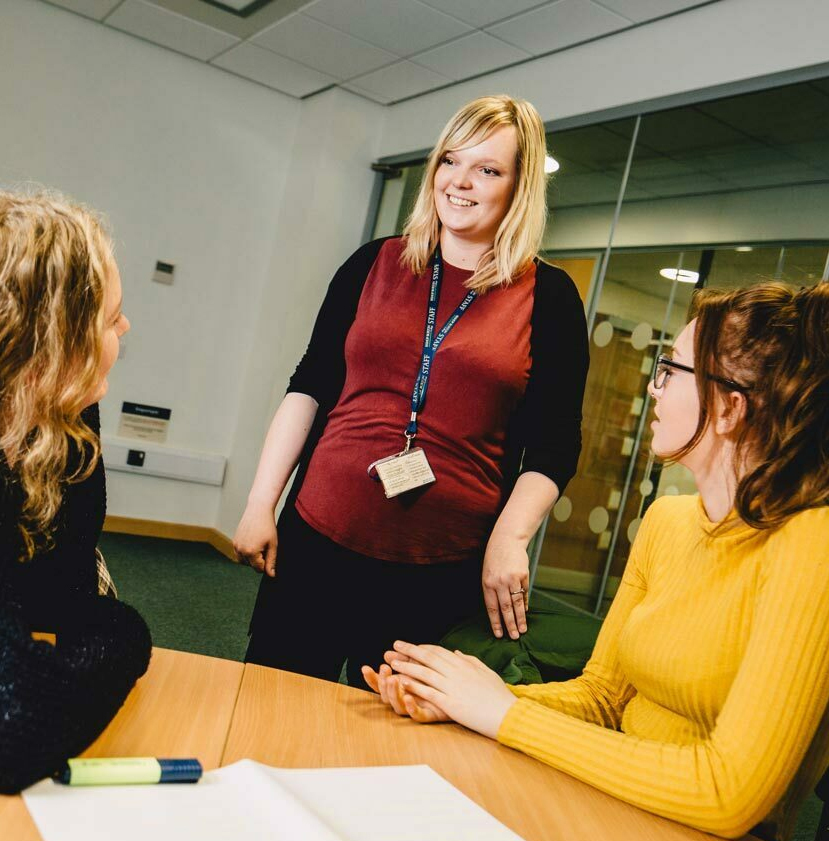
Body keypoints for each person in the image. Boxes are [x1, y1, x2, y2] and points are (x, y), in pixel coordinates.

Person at [364, 281, 829, 840]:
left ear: (731, 407)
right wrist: (459, 700)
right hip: (609, 803)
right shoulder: (666, 521)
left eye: (671, 369)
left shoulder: (813, 544)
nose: (654, 387)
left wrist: (502, 713)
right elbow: (603, 698)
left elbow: (727, 794)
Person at [234, 95, 589, 688]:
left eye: (488, 169)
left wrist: (510, 539)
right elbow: (309, 387)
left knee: (387, 735)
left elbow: (555, 445)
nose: (460, 182)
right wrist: (258, 503)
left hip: (440, 568)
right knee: (270, 708)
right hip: (317, 537)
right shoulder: (373, 263)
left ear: (519, 187)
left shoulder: (549, 299)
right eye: (451, 160)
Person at [0, 190, 151, 793]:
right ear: (47, 341)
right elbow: (14, 733)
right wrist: (126, 631)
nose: (125, 326)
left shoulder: (65, 413)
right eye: (111, 318)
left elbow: (62, 597)